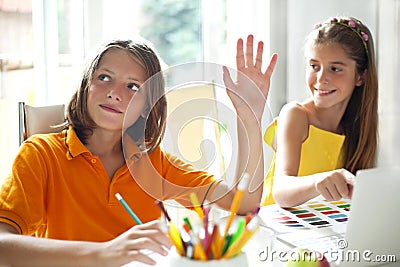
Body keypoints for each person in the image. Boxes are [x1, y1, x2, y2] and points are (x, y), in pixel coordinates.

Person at [0, 36, 278, 266]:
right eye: (104, 77)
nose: (115, 92)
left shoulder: (153, 163)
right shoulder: (40, 154)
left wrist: (249, 118)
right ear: (86, 86)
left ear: (147, 107)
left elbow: (244, 205)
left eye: (133, 86)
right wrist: (105, 253)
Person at [261, 16, 378, 208]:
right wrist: (318, 181)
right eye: (314, 66)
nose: (321, 78)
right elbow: (281, 190)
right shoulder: (296, 115)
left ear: (360, 76)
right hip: (276, 229)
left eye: (335, 69)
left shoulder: (357, 127)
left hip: (317, 230)